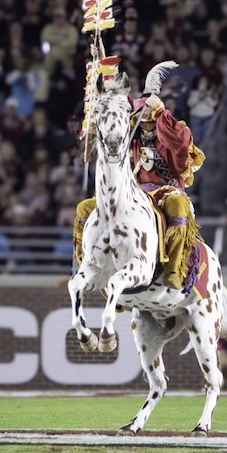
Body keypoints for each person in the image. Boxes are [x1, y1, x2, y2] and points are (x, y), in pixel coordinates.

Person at [74, 64, 206, 290]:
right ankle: (87, 265)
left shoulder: (174, 128)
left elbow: (179, 143)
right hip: (136, 191)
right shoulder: (132, 132)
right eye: (141, 114)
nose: (144, 119)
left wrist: (161, 113)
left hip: (166, 189)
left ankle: (174, 270)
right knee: (85, 208)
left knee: (177, 205)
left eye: (148, 113)